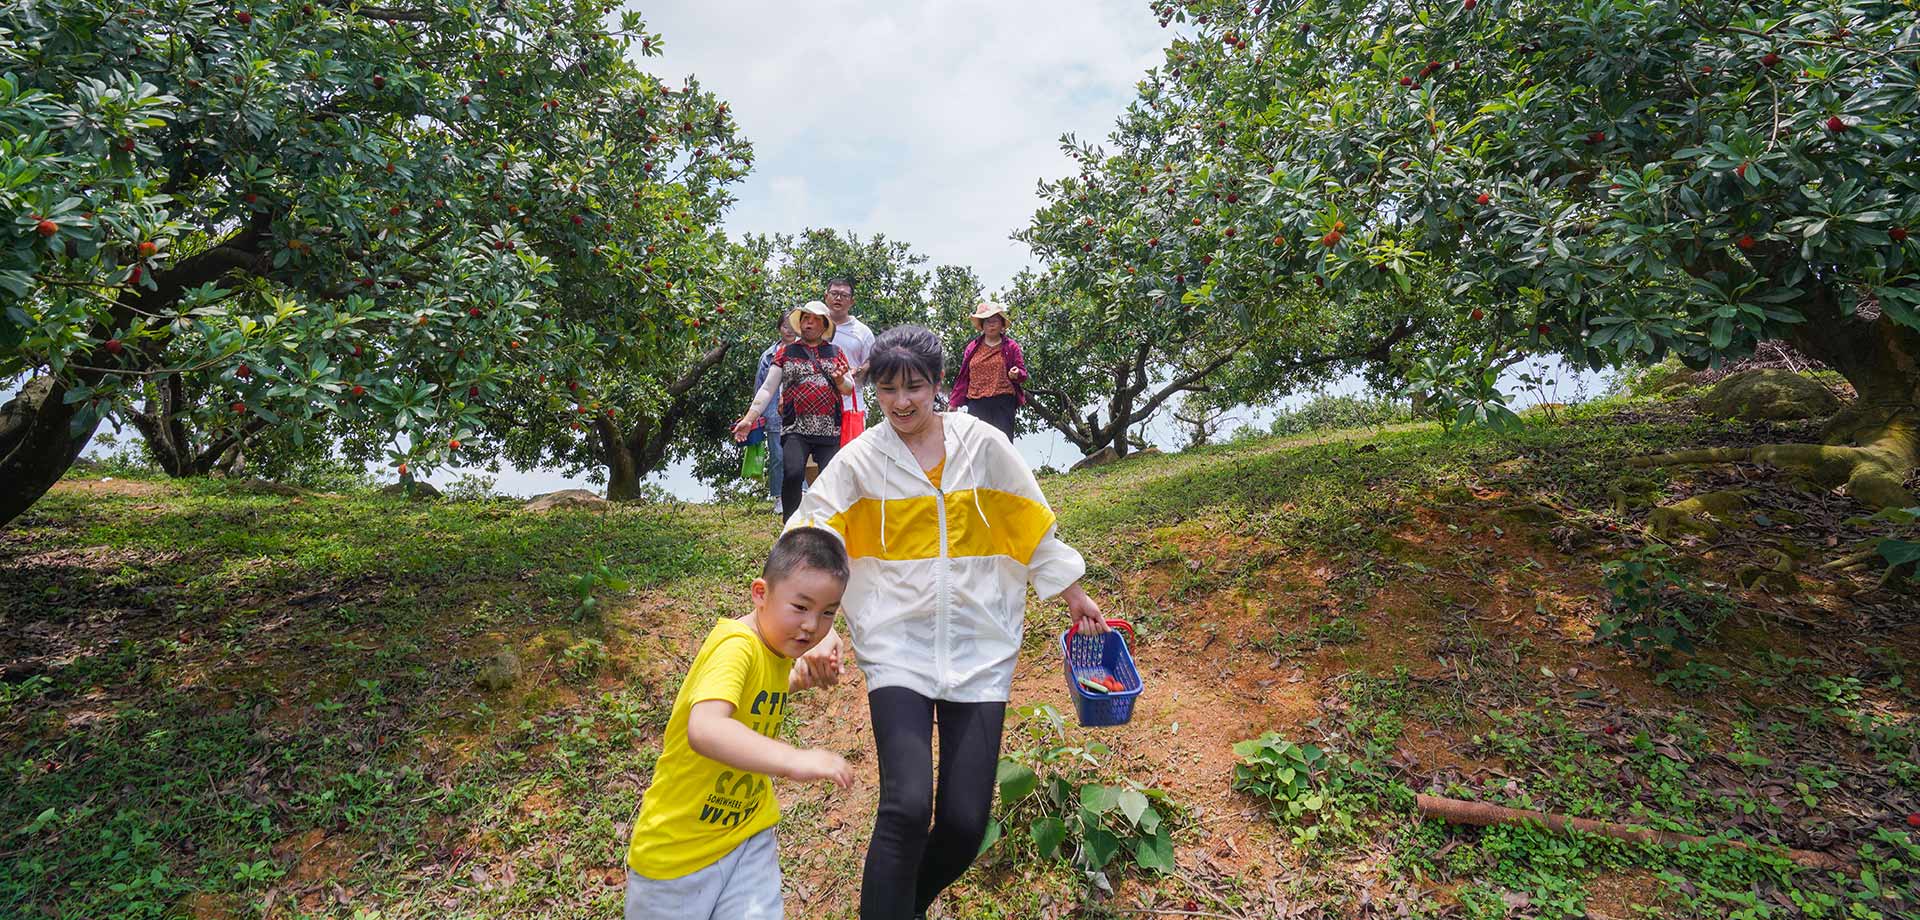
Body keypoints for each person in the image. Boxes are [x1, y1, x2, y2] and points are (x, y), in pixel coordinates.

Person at [784, 325, 1108, 920]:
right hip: (896, 648)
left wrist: (1073, 593)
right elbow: (808, 534)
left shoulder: (982, 444)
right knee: (906, 808)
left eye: (914, 387)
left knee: (963, 824)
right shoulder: (860, 461)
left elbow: (1031, 522)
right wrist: (814, 625)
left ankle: (902, 908)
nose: (901, 402)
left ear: (938, 384)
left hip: (981, 648)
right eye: (887, 390)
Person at [622, 526, 855, 920]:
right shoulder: (735, 646)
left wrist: (798, 679)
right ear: (760, 593)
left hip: (746, 836)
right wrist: (794, 759)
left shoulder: (775, 649)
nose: (812, 625)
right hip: (677, 854)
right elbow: (706, 729)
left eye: (828, 613)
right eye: (800, 607)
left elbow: (757, 690)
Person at [734, 301, 853, 523]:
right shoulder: (785, 353)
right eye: (805, 318)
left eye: (815, 319)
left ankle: (829, 525)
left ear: (824, 325)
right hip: (795, 427)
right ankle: (791, 526)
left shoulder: (836, 352)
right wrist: (749, 419)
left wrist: (839, 380)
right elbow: (767, 388)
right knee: (793, 473)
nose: (809, 323)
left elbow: (849, 388)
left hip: (829, 429)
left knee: (831, 478)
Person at [946, 301, 1029, 441]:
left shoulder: (1011, 346)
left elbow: (1022, 373)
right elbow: (964, 377)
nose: (991, 325)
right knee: (977, 445)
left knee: (1002, 445)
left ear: (1001, 324)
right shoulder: (972, 348)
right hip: (977, 403)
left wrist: (1016, 373)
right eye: (987, 321)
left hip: (1003, 402)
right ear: (982, 325)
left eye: (995, 321)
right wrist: (954, 403)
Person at [754, 314, 800, 514]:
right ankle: (779, 497)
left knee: (799, 455)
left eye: (792, 326)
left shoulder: (806, 350)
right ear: (779, 328)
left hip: (800, 413)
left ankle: (801, 494)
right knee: (778, 457)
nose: (789, 330)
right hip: (774, 414)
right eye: (784, 326)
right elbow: (761, 386)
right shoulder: (768, 355)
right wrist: (756, 414)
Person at [824, 276, 875, 444]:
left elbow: (873, 361)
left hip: (850, 405)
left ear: (852, 301)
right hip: (816, 406)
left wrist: (857, 370)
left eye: (844, 295)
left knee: (851, 454)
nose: (838, 298)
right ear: (826, 296)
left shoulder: (862, 332)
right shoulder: (813, 325)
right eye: (834, 293)